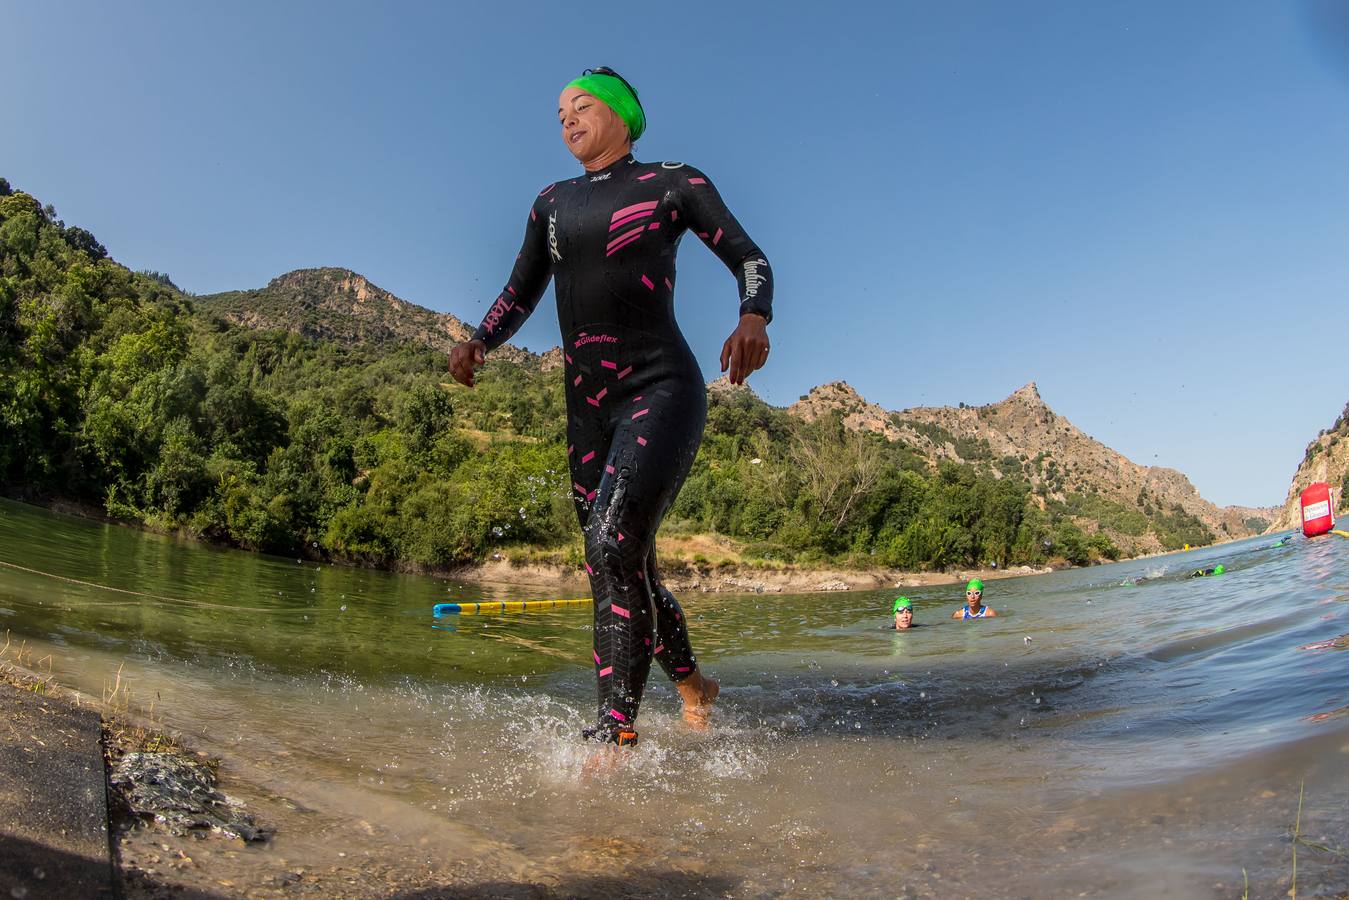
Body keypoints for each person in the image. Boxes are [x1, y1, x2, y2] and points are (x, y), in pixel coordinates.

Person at [448, 67, 773, 747]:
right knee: (622, 562)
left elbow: (747, 256)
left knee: (610, 542)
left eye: (581, 106)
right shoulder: (551, 202)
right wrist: (480, 341)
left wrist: (753, 318)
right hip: (585, 408)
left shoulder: (673, 182)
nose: (566, 119)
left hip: (659, 388)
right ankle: (693, 687)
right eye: (559, 112)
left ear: (621, 115)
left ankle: (613, 737)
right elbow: (520, 289)